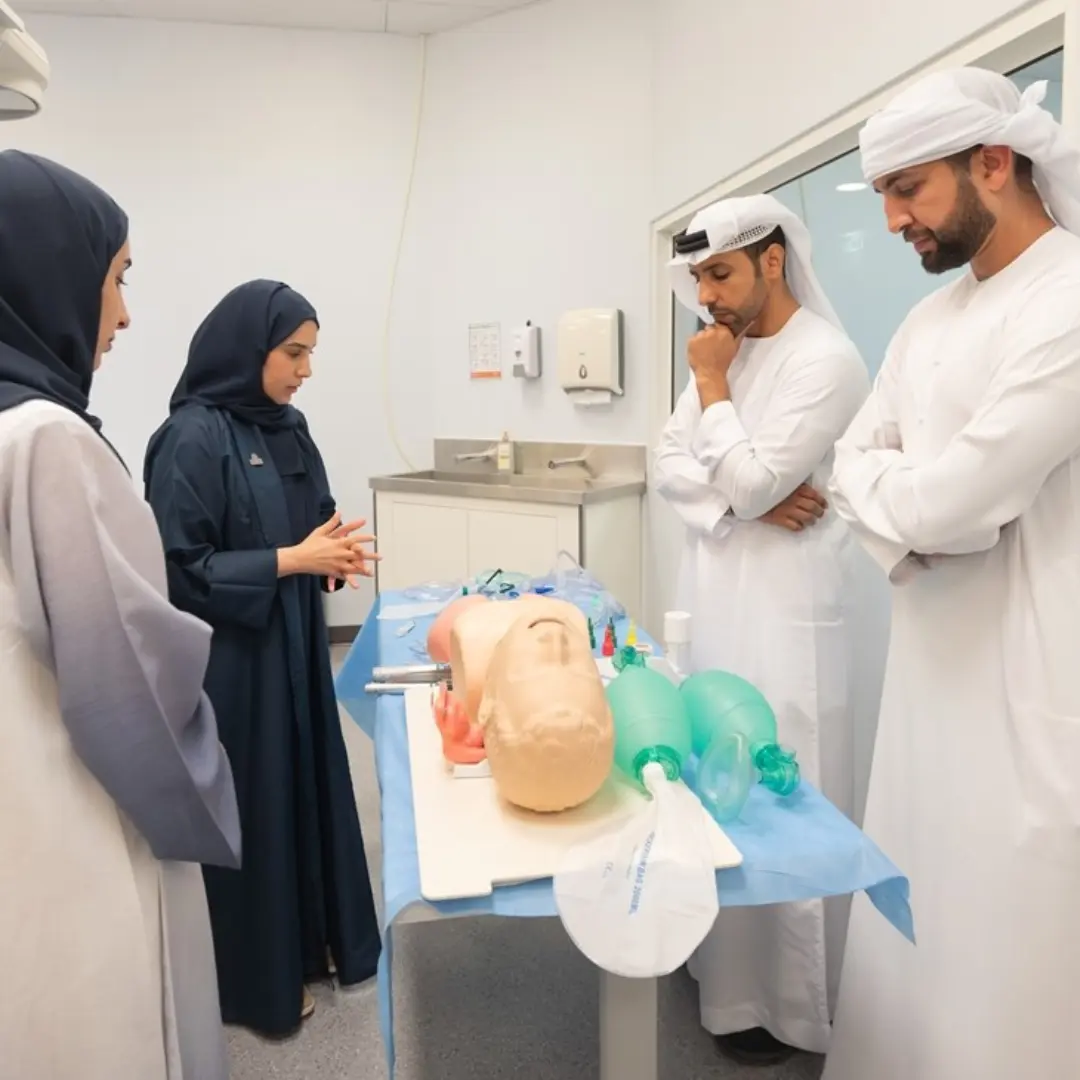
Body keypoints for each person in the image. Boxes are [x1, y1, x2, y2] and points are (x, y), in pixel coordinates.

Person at [824, 68, 1080, 1080]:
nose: (890, 219)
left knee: (1013, 947)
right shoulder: (931, 322)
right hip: (931, 673)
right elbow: (853, 463)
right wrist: (926, 520)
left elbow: (956, 501)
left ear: (993, 163)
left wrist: (934, 516)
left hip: (1032, 677)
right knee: (917, 910)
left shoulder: (1066, 300)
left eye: (909, 190)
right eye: (881, 194)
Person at [0, 152, 241, 1079]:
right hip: (69, 804)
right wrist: (206, 767)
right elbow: (125, 679)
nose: (126, 315)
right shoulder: (45, 439)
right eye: (118, 278)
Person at [655, 193, 879, 1065]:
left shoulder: (826, 360)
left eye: (721, 273)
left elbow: (747, 480)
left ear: (773, 261)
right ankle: (723, 976)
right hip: (717, 587)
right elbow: (674, 464)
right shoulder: (726, 345)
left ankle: (787, 1006)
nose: (707, 296)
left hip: (789, 609)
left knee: (785, 781)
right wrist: (739, 503)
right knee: (716, 769)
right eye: (699, 277)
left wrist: (714, 393)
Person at [143, 279, 382, 1037]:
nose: (305, 370)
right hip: (237, 667)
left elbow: (312, 519)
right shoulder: (190, 438)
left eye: (310, 354)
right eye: (293, 353)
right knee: (256, 810)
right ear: (249, 351)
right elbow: (182, 568)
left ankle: (319, 947)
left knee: (306, 788)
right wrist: (290, 560)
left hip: (297, 648)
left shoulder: (290, 426)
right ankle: (257, 983)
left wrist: (334, 551)